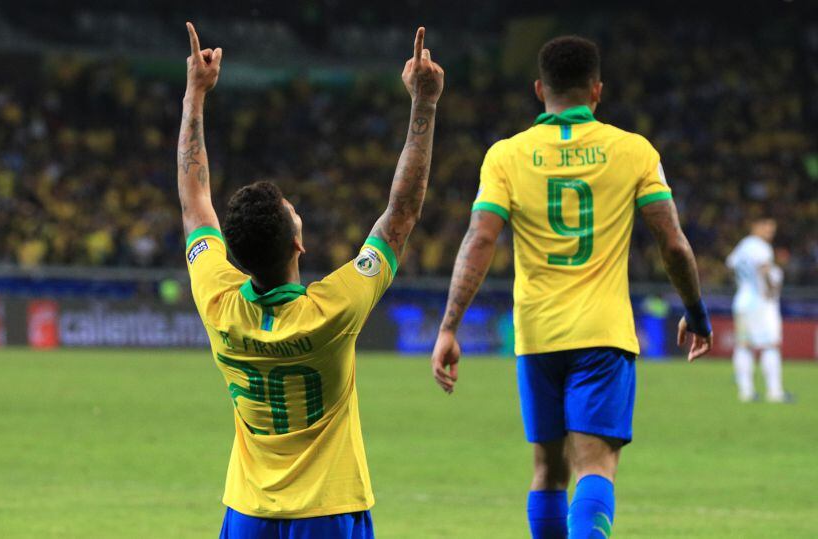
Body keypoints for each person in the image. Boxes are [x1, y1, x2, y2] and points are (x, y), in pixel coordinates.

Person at [429, 36, 711, 539]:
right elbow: (672, 243)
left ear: (540, 89)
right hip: (603, 334)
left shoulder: (506, 156)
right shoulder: (634, 151)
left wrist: (449, 326)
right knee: (595, 468)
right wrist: (696, 310)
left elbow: (479, 240)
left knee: (547, 472)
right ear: (597, 91)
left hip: (537, 335)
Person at [177, 23, 443, 539]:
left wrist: (195, 93)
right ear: (298, 245)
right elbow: (402, 214)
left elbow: (193, 202)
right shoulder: (335, 309)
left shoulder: (218, 299)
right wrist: (425, 105)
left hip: (249, 514)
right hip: (329, 511)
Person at [727, 218, 789, 403]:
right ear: (755, 226)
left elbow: (730, 266)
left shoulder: (742, 246)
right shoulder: (760, 247)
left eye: (772, 229)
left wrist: (741, 284)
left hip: (742, 301)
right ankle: (774, 392)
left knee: (743, 346)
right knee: (770, 345)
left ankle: (746, 392)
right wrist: (770, 290)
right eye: (766, 227)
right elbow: (764, 268)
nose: (770, 232)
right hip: (760, 303)